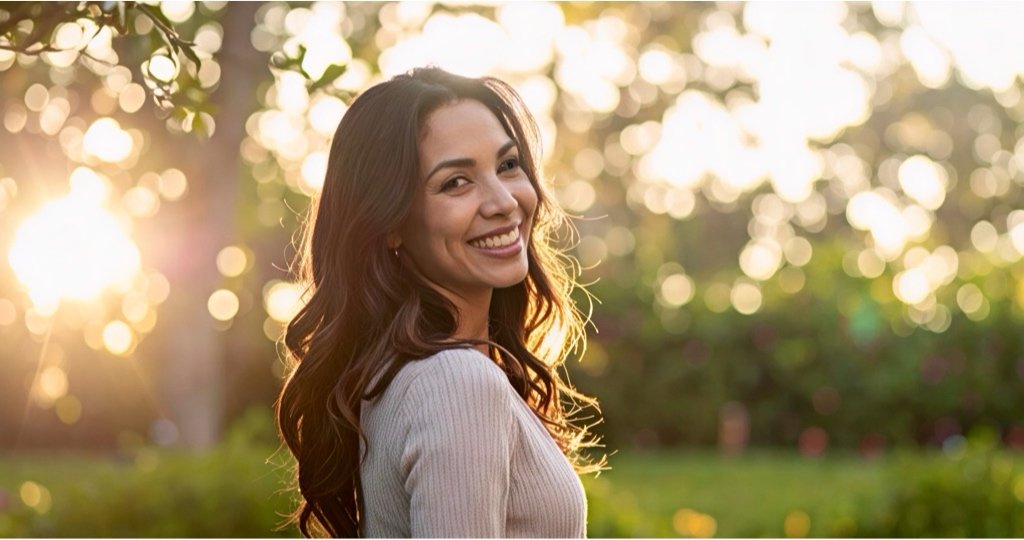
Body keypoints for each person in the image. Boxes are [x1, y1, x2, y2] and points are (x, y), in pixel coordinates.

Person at [276, 66, 602, 538]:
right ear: (389, 223)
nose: (503, 202)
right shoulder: (457, 383)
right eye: (456, 183)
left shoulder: (404, 376)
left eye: (508, 166)